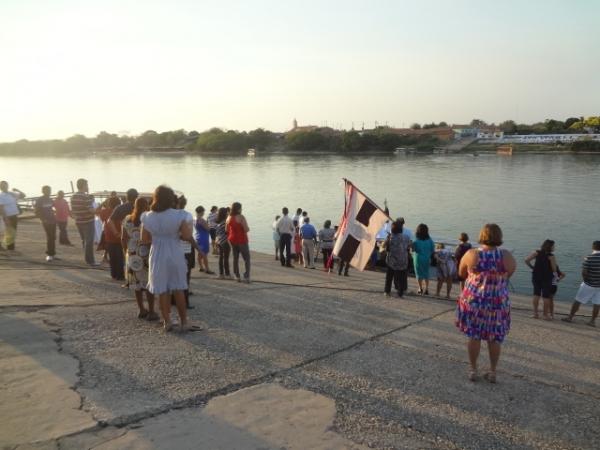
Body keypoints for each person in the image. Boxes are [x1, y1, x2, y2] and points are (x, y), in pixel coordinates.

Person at [456, 223, 516, 383]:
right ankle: (492, 372)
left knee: (474, 336)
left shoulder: (471, 254)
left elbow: (460, 273)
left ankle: (473, 370)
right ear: (499, 237)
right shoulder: (507, 256)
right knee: (494, 338)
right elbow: (510, 273)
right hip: (497, 303)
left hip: (474, 302)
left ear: (482, 235)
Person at [141, 185, 200, 332]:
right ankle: (184, 322)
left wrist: (158, 236)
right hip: (174, 252)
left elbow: (145, 238)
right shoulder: (179, 214)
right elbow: (186, 236)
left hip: (157, 253)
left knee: (162, 290)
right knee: (178, 288)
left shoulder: (147, 217)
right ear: (170, 198)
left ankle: (167, 322)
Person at [122, 197, 158, 321]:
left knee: (137, 284)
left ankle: (141, 309)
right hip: (145, 255)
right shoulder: (147, 220)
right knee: (148, 284)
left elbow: (123, 238)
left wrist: (125, 253)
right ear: (146, 206)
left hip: (131, 255)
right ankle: (152, 311)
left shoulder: (127, 219)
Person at [562, 241, 600, 327]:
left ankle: (570, 317)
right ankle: (592, 321)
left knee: (578, 300)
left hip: (589, 284)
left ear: (593, 247)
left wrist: (585, 280)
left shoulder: (589, 257)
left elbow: (584, 272)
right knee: (597, 303)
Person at [524, 240, 558, 320]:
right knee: (546, 297)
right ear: (550, 247)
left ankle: (535, 314)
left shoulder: (536, 252)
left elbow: (526, 260)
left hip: (536, 276)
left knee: (536, 294)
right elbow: (554, 269)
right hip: (547, 278)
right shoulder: (551, 256)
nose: (554, 247)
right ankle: (545, 315)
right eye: (553, 246)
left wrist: (532, 267)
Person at [70, 178, 99, 266]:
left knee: (84, 240)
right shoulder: (85, 197)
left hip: (79, 221)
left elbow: (73, 210)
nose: (88, 186)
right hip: (88, 222)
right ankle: (90, 261)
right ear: (83, 186)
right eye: (87, 185)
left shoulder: (73, 197)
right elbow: (92, 211)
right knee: (89, 242)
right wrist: (99, 208)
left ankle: (87, 259)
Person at [178, 196, 198, 308]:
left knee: (175, 276)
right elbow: (188, 236)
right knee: (186, 276)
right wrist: (199, 249)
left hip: (174, 249)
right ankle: (185, 302)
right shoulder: (187, 216)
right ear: (185, 204)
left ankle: (173, 300)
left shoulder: (171, 216)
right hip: (186, 250)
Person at [384, 220, 410, 297]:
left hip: (392, 261)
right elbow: (408, 246)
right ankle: (400, 292)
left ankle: (387, 291)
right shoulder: (406, 237)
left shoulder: (390, 237)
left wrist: (388, 238)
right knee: (401, 277)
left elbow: (384, 246)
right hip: (403, 260)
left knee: (389, 276)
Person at [226, 202, 251, 283]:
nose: (242, 209)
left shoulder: (229, 217)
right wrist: (248, 228)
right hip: (242, 240)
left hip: (232, 240)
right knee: (247, 259)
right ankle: (246, 277)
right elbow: (246, 229)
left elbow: (226, 230)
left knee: (235, 258)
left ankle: (237, 276)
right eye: (241, 208)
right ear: (238, 209)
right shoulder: (241, 217)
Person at [0, 181, 26, 251]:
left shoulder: (11, 194)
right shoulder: (1, 196)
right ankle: (10, 248)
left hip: (14, 215)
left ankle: (11, 248)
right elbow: (1, 208)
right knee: (10, 232)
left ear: (7, 186)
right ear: (0, 187)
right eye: (2, 186)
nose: (4, 187)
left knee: (13, 232)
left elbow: (23, 195)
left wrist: (17, 190)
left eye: (5, 185)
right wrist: (6, 219)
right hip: (8, 216)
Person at [34, 185, 57, 261]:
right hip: (46, 222)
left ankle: (53, 253)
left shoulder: (50, 199)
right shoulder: (40, 200)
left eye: (50, 190)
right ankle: (49, 254)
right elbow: (36, 212)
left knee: (53, 237)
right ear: (43, 191)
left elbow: (54, 207)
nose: (49, 192)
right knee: (50, 237)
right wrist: (43, 219)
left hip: (53, 220)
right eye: (47, 190)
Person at [411, 223, 435, 295]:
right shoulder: (430, 240)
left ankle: (420, 288)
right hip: (427, 259)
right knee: (426, 274)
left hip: (418, 259)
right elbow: (432, 250)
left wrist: (411, 245)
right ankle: (427, 289)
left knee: (419, 274)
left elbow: (414, 250)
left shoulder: (416, 241)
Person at [194, 206, 214, 274]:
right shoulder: (201, 220)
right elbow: (208, 229)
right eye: (203, 212)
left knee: (200, 253)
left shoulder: (194, 219)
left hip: (198, 236)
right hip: (204, 238)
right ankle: (207, 269)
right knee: (204, 254)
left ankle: (201, 267)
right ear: (201, 212)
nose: (204, 213)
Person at [215, 207, 232, 279]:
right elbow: (228, 233)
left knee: (221, 258)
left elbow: (217, 234)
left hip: (219, 242)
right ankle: (227, 274)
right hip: (225, 242)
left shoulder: (218, 223)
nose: (228, 213)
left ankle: (221, 274)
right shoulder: (225, 222)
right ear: (225, 214)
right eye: (227, 212)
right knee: (226, 259)